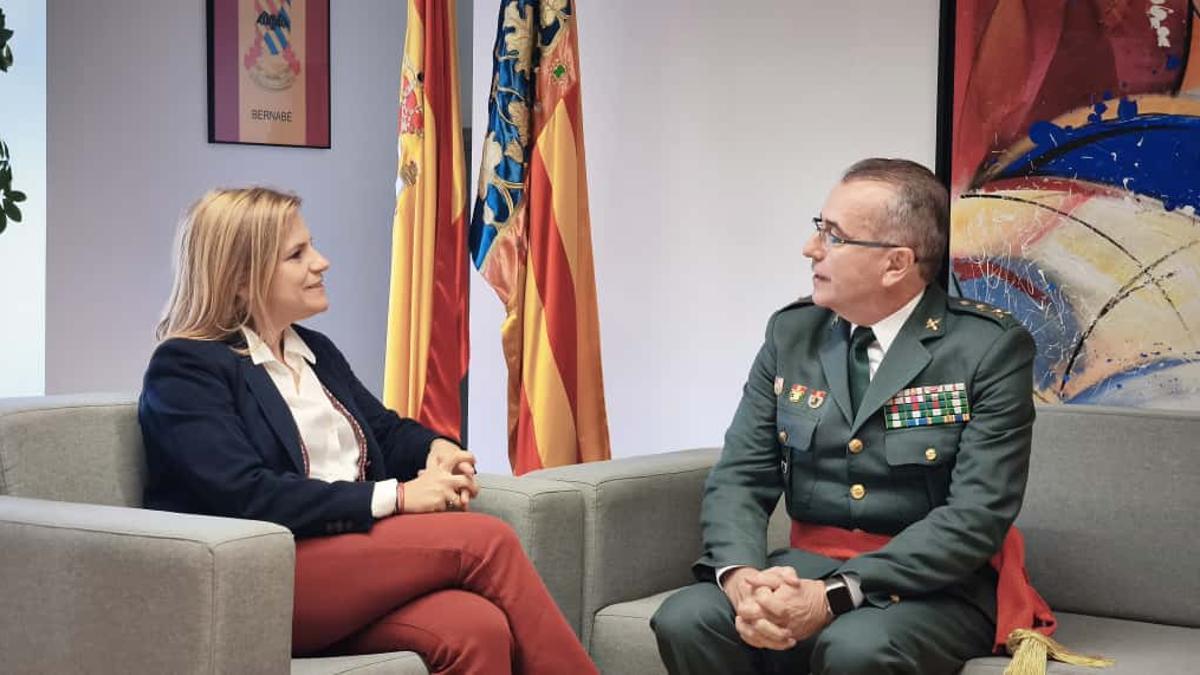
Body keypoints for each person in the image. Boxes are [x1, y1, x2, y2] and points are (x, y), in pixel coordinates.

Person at [139, 187, 596, 675]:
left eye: (311, 246)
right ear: (240, 280)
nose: (322, 262)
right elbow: (244, 495)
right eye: (297, 254)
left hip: (353, 565)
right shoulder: (186, 368)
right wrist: (396, 497)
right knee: (484, 540)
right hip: (269, 575)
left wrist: (436, 449)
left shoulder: (314, 350)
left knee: (475, 628)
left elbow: (385, 431)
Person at [651, 159, 1041, 674]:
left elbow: (977, 515)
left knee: (856, 648)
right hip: (807, 564)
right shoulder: (793, 333)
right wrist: (743, 576)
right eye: (820, 229)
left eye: (834, 236)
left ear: (896, 263)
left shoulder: (986, 348)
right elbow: (743, 475)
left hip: (934, 586)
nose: (811, 249)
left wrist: (833, 595)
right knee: (687, 618)